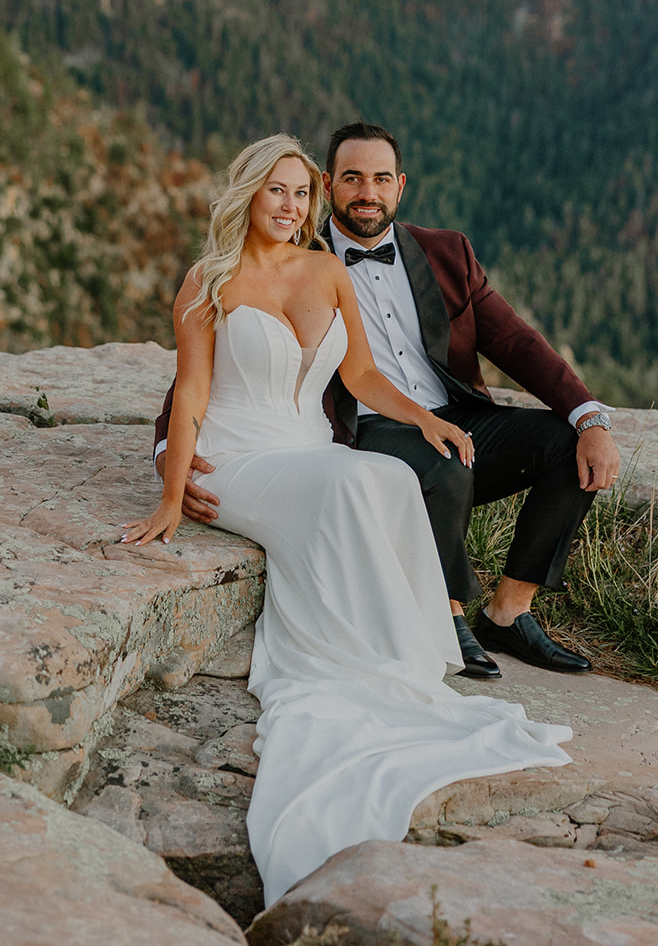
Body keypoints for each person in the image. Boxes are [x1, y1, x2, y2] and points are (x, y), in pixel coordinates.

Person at [124, 134, 572, 908]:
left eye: (300, 193)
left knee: (385, 476)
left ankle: (406, 655)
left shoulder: (326, 270)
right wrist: (170, 488)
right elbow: (191, 393)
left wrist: (426, 422)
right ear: (247, 195)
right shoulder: (209, 280)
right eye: (277, 191)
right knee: (352, 485)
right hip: (240, 457)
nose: (291, 205)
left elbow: (360, 374)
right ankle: (380, 655)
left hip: (309, 445)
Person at [154, 121, 621, 681]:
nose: (367, 193)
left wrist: (587, 414)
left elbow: (515, 341)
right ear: (331, 185)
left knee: (568, 444)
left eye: (380, 179)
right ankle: (447, 617)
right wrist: (170, 458)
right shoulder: (299, 254)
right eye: (352, 178)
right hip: (365, 429)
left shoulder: (447, 253)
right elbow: (207, 373)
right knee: (440, 465)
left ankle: (508, 612)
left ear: (400, 186)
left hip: (447, 415)